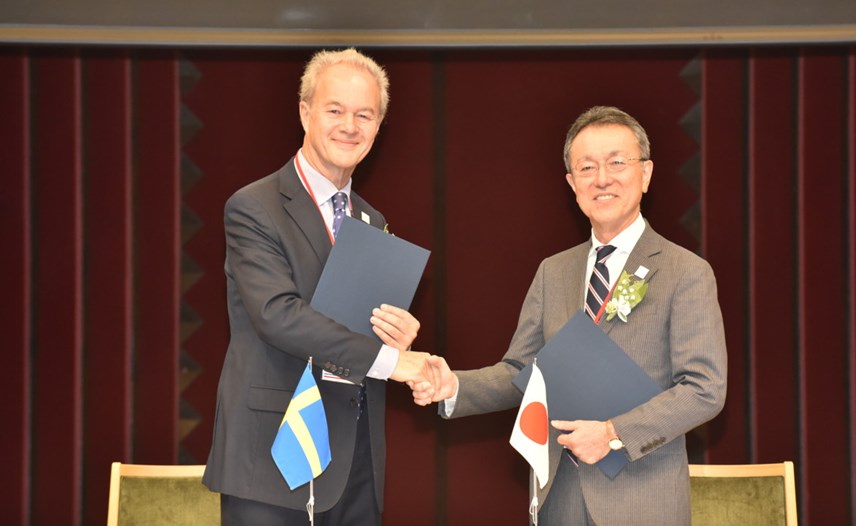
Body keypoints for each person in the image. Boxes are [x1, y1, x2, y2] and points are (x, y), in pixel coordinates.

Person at [415, 106, 728, 525]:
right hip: (559, 496)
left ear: (646, 173)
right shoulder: (554, 271)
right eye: (587, 167)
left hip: (643, 501)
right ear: (572, 183)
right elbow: (523, 371)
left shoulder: (685, 271)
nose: (602, 178)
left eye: (617, 162)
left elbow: (704, 388)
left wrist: (613, 433)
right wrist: (453, 386)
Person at [204, 48, 436, 526]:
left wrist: (396, 333)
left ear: (377, 127)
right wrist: (393, 362)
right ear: (305, 112)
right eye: (335, 110)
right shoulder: (253, 207)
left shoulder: (372, 221)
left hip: (355, 462)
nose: (349, 125)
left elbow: (356, 328)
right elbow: (278, 316)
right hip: (271, 460)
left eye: (364, 114)